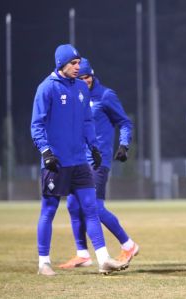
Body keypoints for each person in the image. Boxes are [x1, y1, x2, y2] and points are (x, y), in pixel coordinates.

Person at [31, 44, 128, 276]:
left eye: (78, 63)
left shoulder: (81, 89)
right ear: (61, 64)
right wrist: (45, 151)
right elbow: (37, 124)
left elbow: (87, 122)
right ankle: (43, 262)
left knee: (91, 208)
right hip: (56, 162)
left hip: (80, 162)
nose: (77, 67)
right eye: (73, 64)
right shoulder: (46, 88)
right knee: (49, 210)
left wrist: (93, 146)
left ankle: (103, 259)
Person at [58, 58, 139, 270]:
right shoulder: (75, 95)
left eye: (87, 77)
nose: (84, 81)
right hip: (76, 160)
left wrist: (123, 145)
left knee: (93, 206)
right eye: (80, 77)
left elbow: (124, 122)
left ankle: (128, 244)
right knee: (73, 205)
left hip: (97, 160)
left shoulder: (105, 95)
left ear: (92, 76)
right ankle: (83, 254)